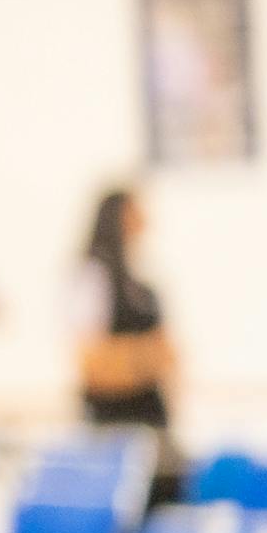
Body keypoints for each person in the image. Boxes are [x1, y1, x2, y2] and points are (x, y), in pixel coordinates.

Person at [74, 185, 182, 485]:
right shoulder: (92, 276)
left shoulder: (143, 285)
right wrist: (145, 357)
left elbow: (169, 353)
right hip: (114, 425)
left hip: (152, 419)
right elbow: (92, 363)